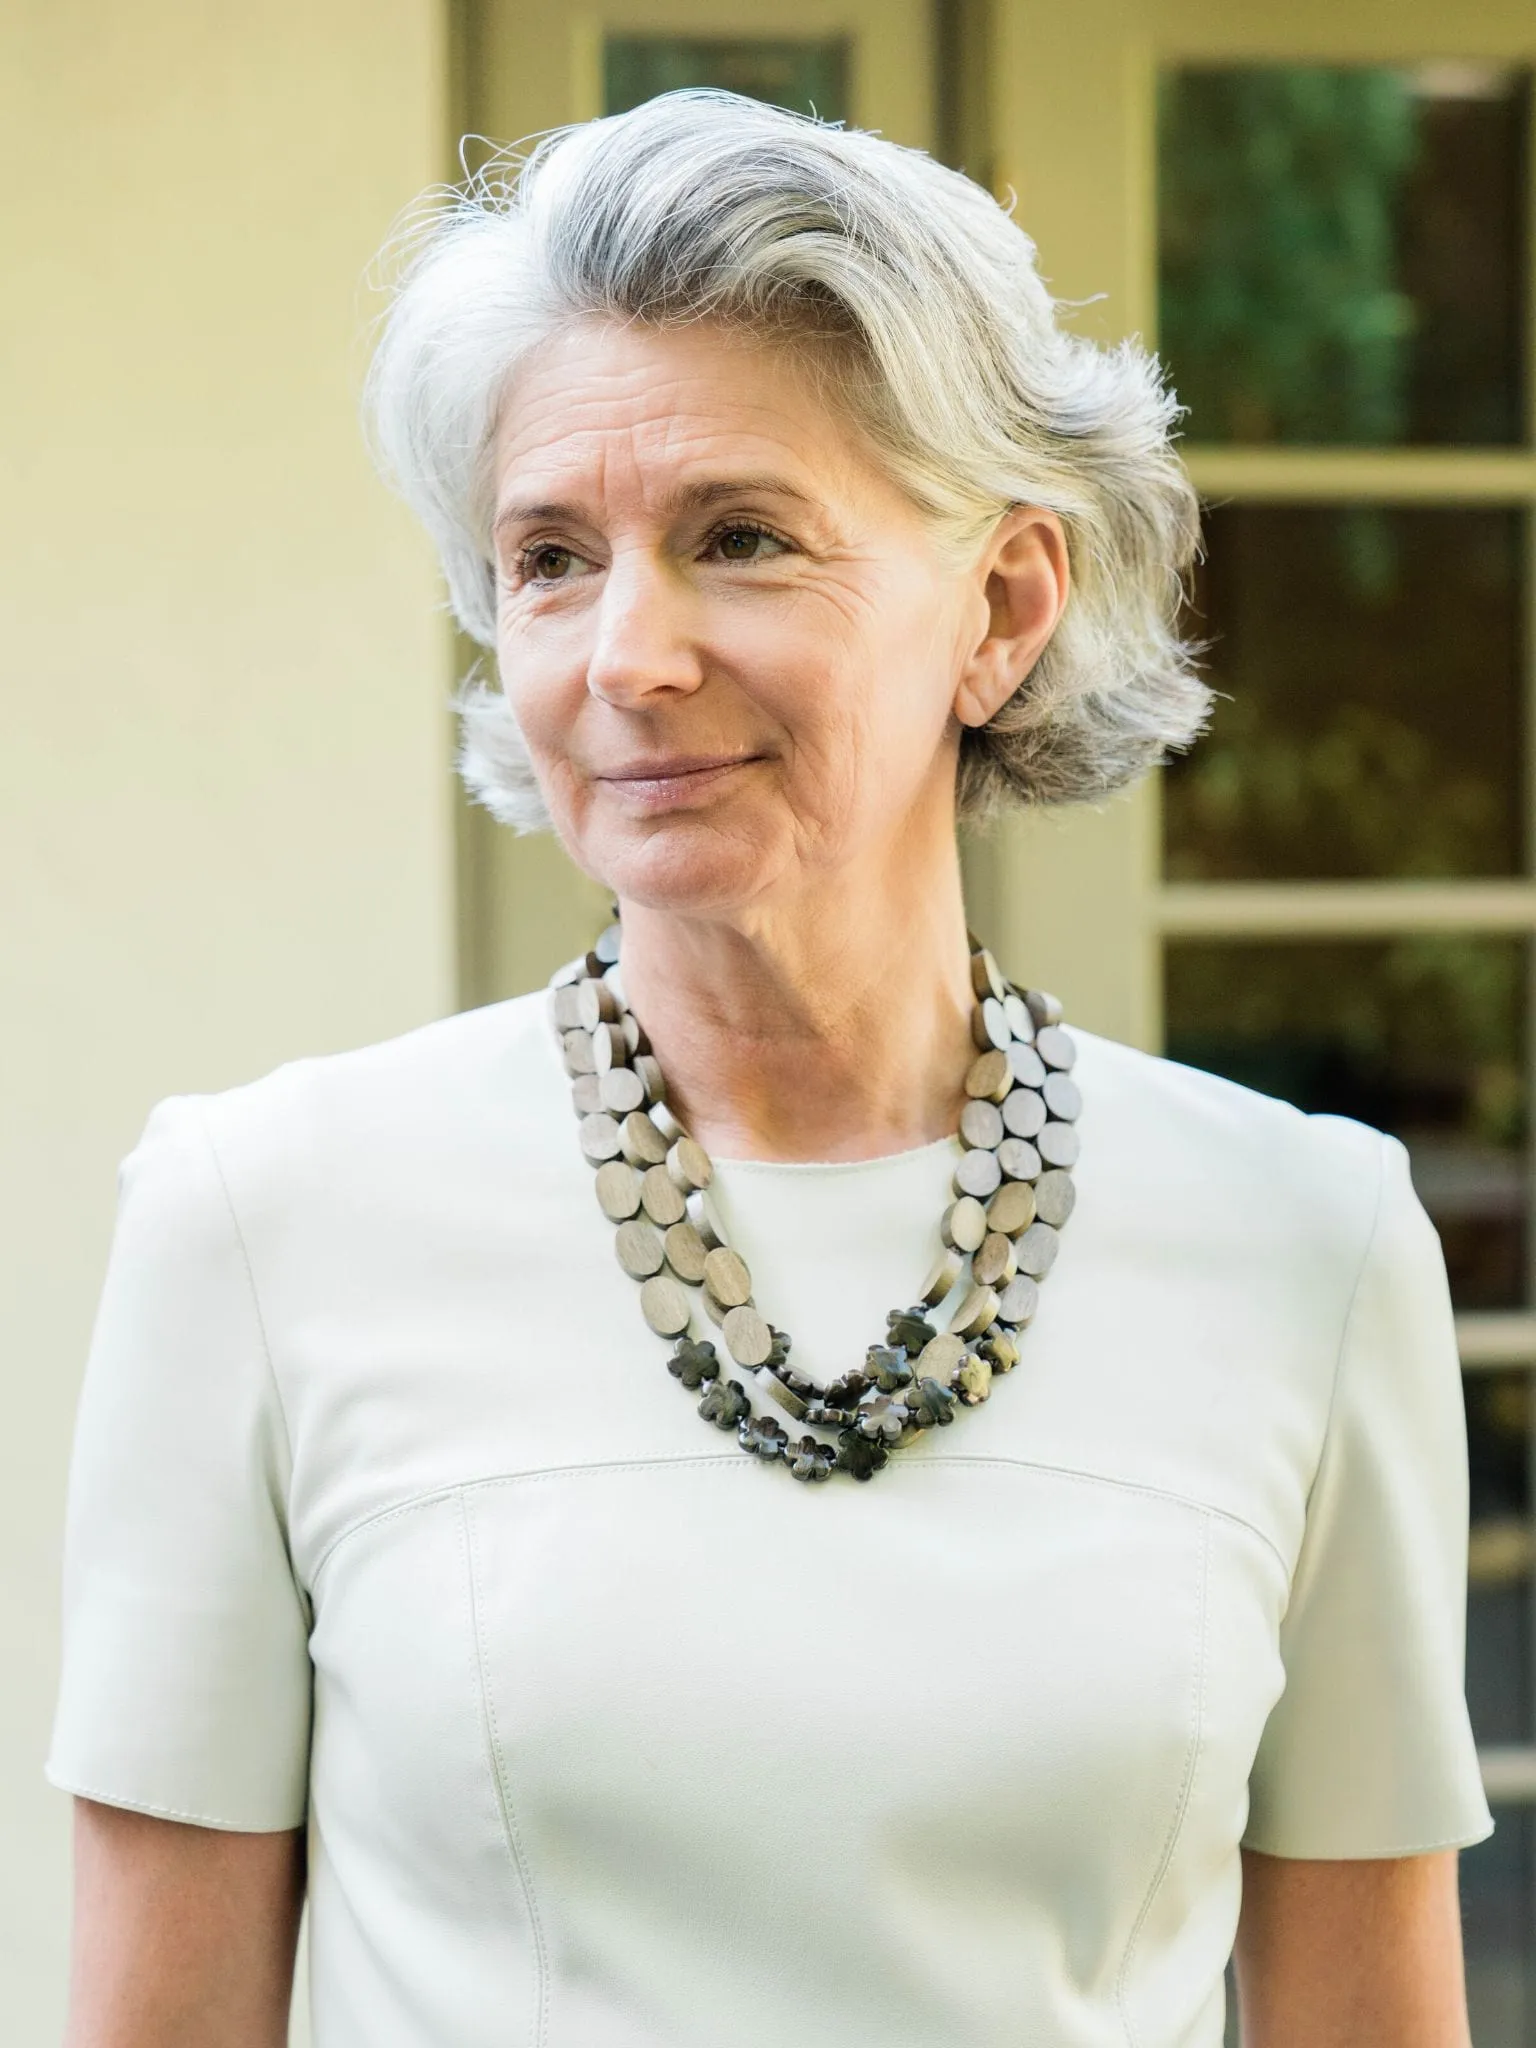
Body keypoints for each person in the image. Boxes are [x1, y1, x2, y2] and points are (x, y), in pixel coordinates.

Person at [51, 90, 1489, 2048]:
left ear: (1003, 606)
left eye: (739, 538)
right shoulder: (259, 1216)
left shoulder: (1306, 1244)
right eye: (552, 557)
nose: (626, 654)